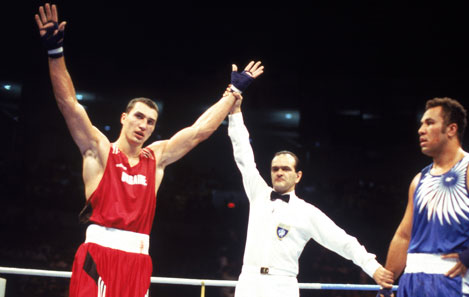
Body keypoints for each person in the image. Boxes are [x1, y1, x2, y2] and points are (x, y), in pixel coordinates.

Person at [35, 3, 263, 297]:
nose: (144, 124)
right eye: (139, 117)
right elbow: (69, 105)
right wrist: (55, 53)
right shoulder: (100, 150)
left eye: (151, 121)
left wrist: (233, 94)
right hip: (98, 256)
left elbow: (198, 132)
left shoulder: (155, 158)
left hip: (139, 260)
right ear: (124, 117)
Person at [226, 77, 394, 297]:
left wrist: (372, 267)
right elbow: (243, 155)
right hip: (248, 281)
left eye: (285, 169)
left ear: (298, 176)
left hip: (282, 285)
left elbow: (342, 241)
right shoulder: (258, 193)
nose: (278, 172)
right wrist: (235, 111)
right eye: (275, 168)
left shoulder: (306, 212)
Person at [378, 97, 469, 297]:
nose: (421, 130)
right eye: (421, 124)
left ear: (451, 129)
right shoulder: (419, 180)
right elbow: (404, 235)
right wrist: (386, 285)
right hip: (413, 279)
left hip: (458, 277)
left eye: (430, 123)